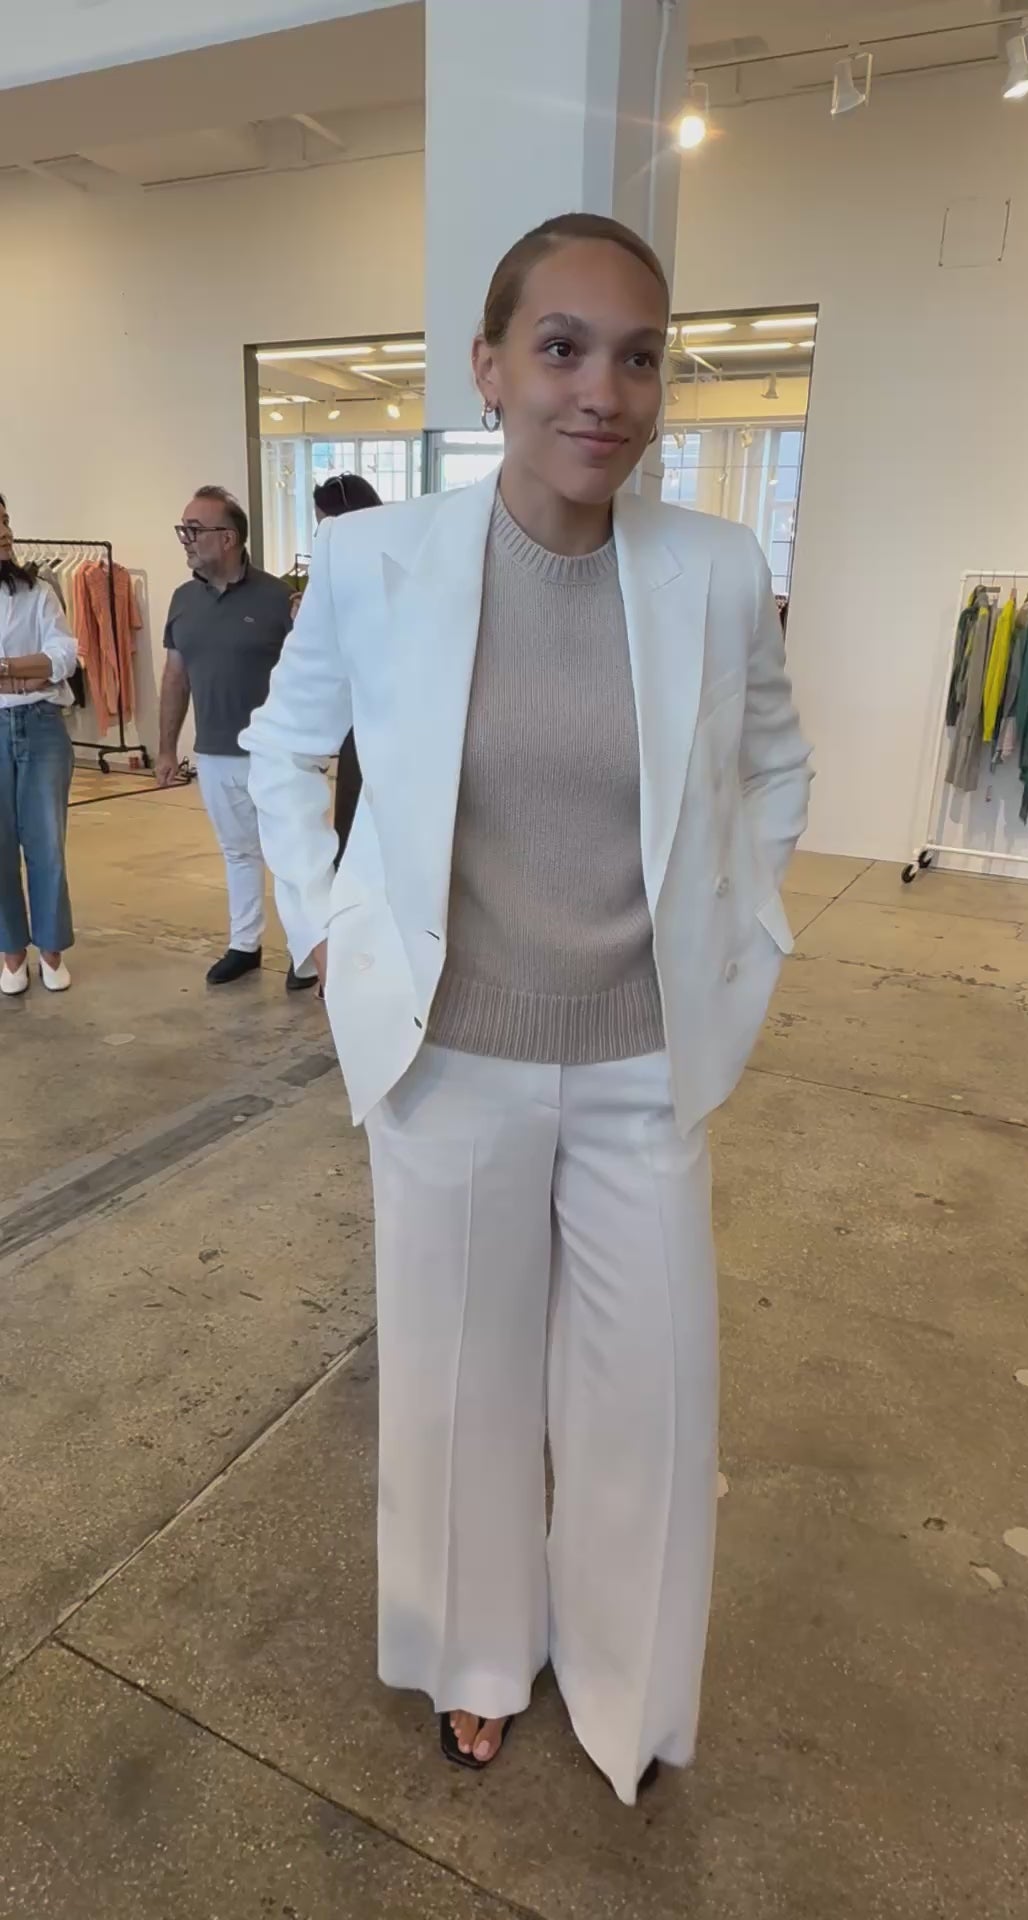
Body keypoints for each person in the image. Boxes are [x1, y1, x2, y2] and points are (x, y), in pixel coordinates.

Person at [242, 212, 811, 1804]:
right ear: (489, 367)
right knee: (459, 1391)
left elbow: (776, 765)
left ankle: (628, 1690)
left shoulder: (714, 571)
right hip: (452, 1056)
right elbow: (284, 746)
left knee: (650, 1401)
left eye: (638, 357)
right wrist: (332, 929)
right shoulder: (380, 563)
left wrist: (740, 933)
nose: (602, 392)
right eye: (562, 348)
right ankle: (474, 1656)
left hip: (642, 1060)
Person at [157, 486, 314, 991]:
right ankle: (245, 945)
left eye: (194, 530)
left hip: (278, 754)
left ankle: (307, 954)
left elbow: (311, 673)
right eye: (184, 529)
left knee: (291, 856)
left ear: (228, 538)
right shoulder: (183, 600)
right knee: (238, 851)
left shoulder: (279, 598)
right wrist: (166, 748)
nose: (185, 539)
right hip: (215, 752)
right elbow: (175, 677)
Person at [0, 492, 79, 997]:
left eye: (6, 520)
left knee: (46, 843)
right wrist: (31, 672)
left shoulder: (38, 591)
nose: (5, 531)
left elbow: (64, 656)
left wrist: (6, 670)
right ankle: (11, 950)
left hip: (42, 724)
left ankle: (51, 947)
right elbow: (45, 664)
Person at [310, 474, 381, 862]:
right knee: (353, 829)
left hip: (386, 721)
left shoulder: (384, 574)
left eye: (325, 526)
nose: (321, 537)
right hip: (359, 724)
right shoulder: (344, 575)